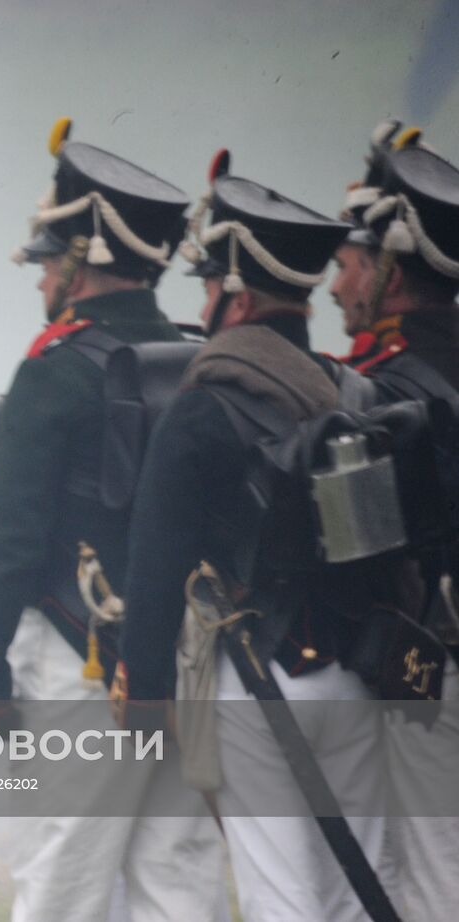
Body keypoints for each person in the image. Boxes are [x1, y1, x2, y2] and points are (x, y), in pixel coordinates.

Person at [0, 117, 224, 921]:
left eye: (48, 261)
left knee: (60, 879)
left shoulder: (54, 370)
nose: (40, 281)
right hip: (189, 661)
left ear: (81, 259)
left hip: (82, 667)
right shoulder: (198, 354)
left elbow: (8, 541)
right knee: (177, 887)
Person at [115, 158, 391, 922]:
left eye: (209, 284)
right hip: (358, 676)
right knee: (353, 899)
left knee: (283, 900)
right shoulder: (355, 394)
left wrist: (143, 696)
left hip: (261, 678)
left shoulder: (204, 406)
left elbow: (154, 560)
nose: (201, 301)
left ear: (235, 295)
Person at [331, 132, 459, 922]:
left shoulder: (377, 393)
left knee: (432, 879)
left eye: (351, 262)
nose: (339, 283)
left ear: (392, 269)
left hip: (428, 672)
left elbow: (358, 560)